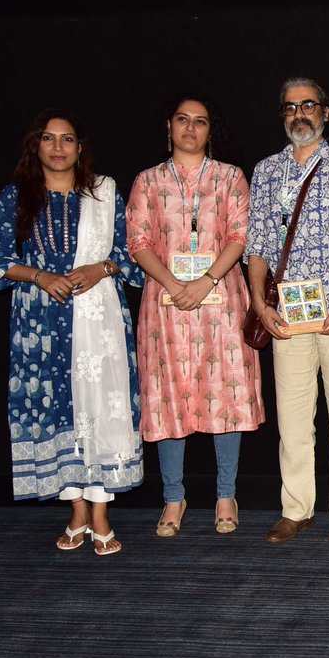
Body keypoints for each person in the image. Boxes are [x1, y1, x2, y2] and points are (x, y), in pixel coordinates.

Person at [0, 109, 143, 556]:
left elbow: (132, 255)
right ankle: (76, 511)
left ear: (79, 147)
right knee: (54, 410)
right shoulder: (16, 197)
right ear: (36, 145)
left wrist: (100, 268)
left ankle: (101, 512)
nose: (57, 147)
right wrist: (39, 277)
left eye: (66, 139)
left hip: (99, 319)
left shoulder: (104, 193)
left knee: (102, 409)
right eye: (48, 138)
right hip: (40, 323)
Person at [246, 77, 329, 544]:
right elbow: (257, 246)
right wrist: (258, 303)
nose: (298, 114)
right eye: (290, 107)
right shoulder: (266, 171)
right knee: (292, 419)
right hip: (286, 315)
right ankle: (296, 509)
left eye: (307, 105)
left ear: (325, 112)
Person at [127, 93, 265, 537]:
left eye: (200, 121)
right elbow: (138, 241)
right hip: (165, 304)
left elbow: (240, 235)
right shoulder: (148, 181)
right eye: (182, 119)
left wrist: (205, 280)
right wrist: (172, 283)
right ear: (168, 126)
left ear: (210, 129)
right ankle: (173, 497)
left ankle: (226, 494)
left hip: (220, 299)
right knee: (166, 396)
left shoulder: (229, 177)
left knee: (225, 395)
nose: (190, 128)